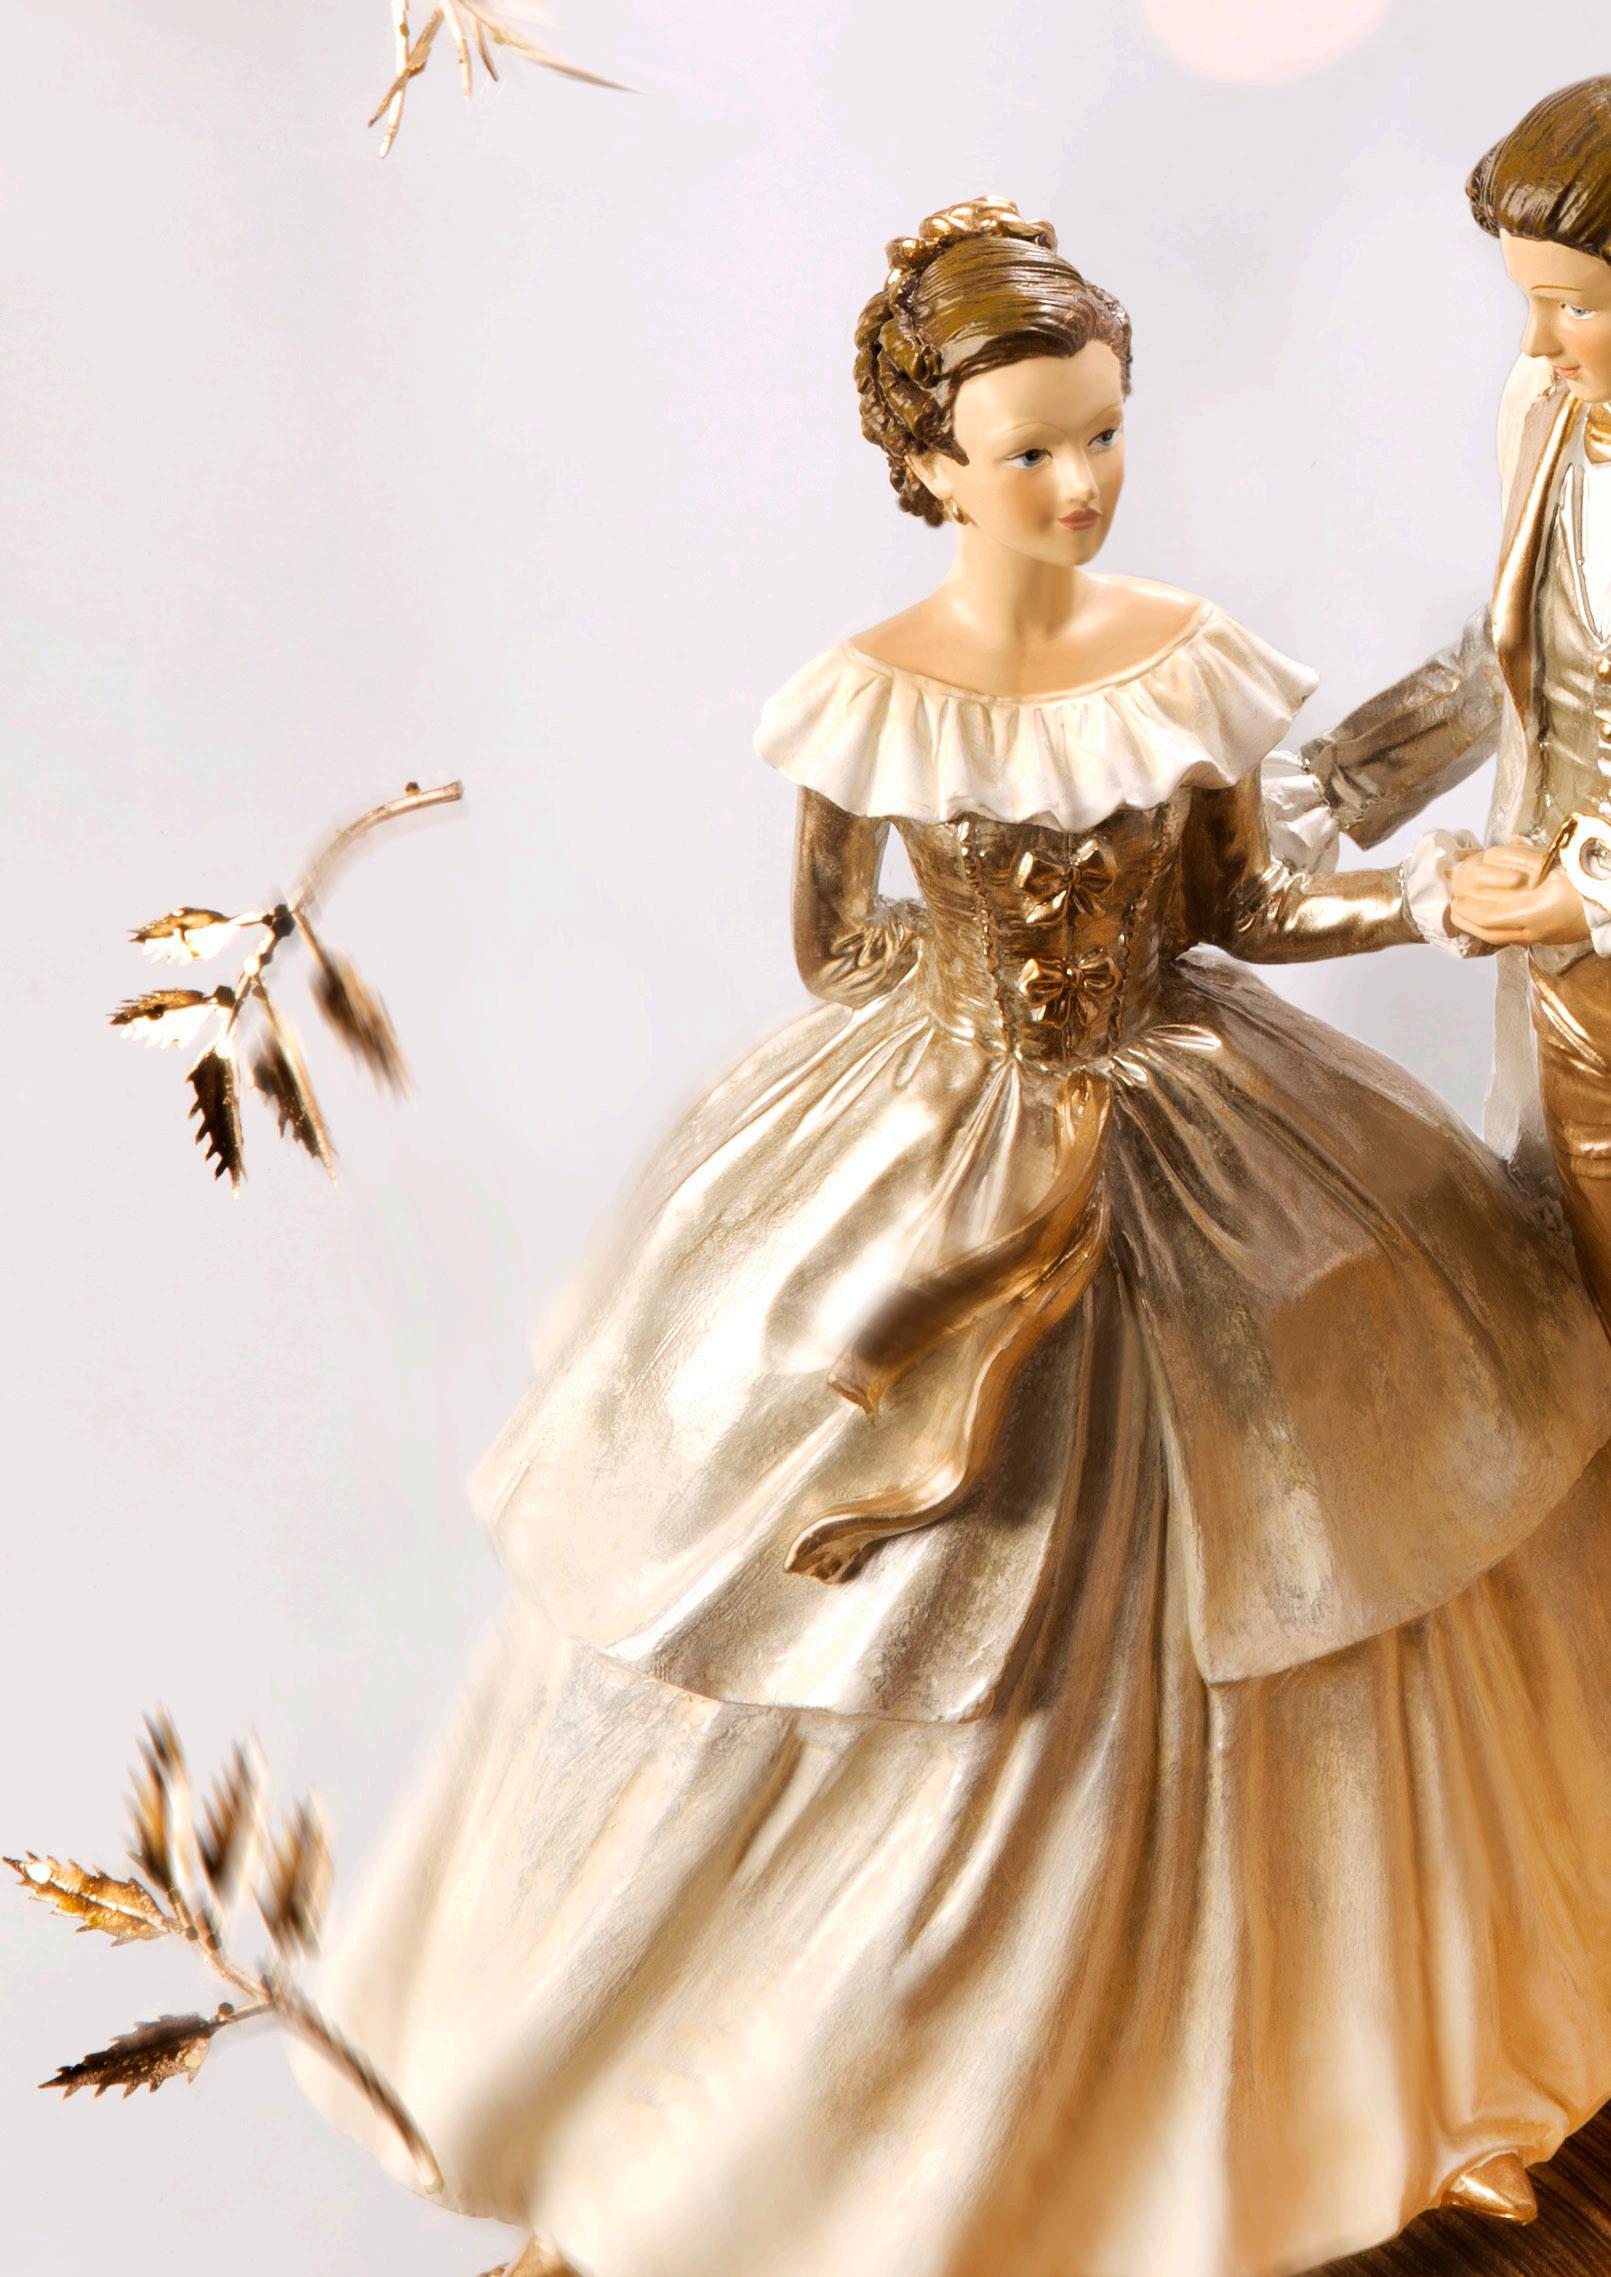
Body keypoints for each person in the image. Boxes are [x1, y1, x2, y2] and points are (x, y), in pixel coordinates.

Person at [299, 198, 1611, 2277]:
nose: (1079, 484)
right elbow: (835, 947)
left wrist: (1438, 902)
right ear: (925, 463)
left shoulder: (1180, 657)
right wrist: (982, 1036)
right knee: (890, 1597)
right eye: (1028, 451)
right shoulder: (866, 701)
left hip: (1202, 1130)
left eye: (1101, 434)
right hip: (945, 1134)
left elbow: (1245, 907)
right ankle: (862, 2123)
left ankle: (1310, 2084)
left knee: (1299, 1565)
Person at [1282, 78, 1611, 1325]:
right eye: (1527, 302)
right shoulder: (1551, 418)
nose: (1536, 345)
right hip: (1567, 981)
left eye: (1574, 306)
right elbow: (1507, 660)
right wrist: (1331, 787)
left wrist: (1594, 888)